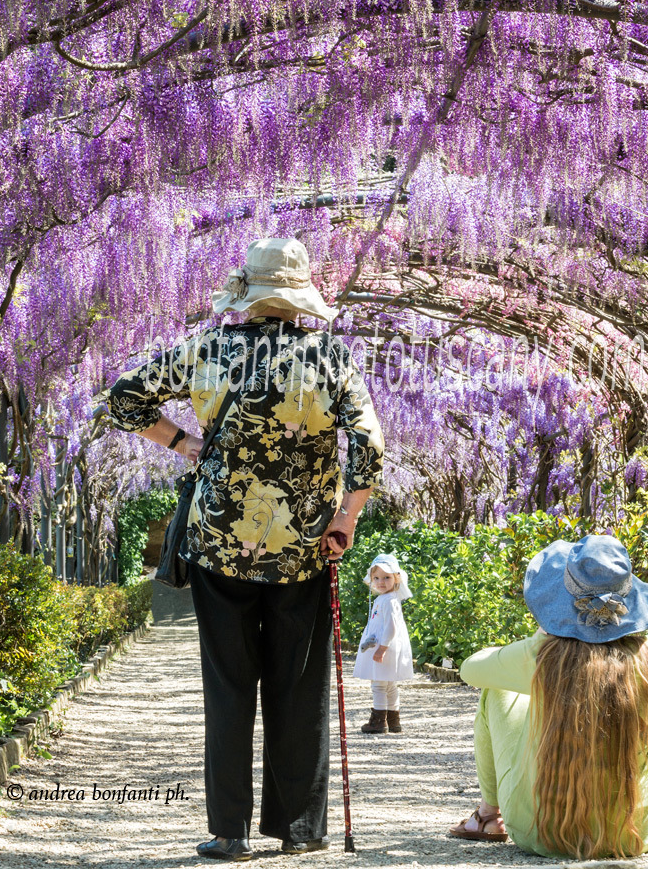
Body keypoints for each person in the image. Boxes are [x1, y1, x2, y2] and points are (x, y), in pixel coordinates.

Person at [105, 238, 384, 862]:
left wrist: (184, 443)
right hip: (305, 548)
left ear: (249, 293)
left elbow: (125, 399)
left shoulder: (206, 348)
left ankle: (228, 831)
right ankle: (300, 829)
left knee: (229, 686)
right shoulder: (330, 357)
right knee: (300, 685)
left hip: (220, 543)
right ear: (299, 299)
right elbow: (368, 447)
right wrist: (346, 518)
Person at [448, 533, 648, 860]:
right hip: (637, 836)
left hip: (539, 831)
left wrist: (536, 640)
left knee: (499, 691)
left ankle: (488, 816)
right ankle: (640, 805)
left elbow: (471, 669)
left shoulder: (542, 654)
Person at [352, 553, 414, 734]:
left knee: (379, 684)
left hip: (385, 648)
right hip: (386, 647)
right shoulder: (385, 598)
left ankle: (379, 721)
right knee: (389, 684)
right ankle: (393, 720)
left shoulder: (389, 600)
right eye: (376, 578)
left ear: (396, 578)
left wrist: (382, 648)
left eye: (386, 577)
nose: (381, 582)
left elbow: (391, 627)